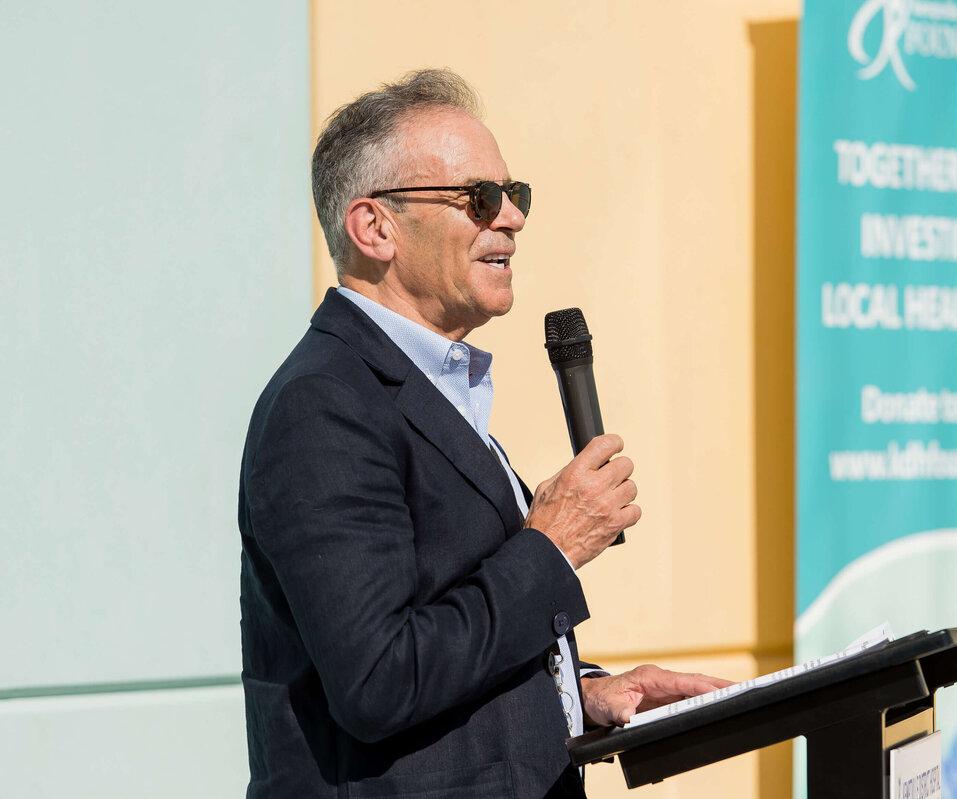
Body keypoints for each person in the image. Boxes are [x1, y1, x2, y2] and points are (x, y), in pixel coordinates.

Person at [237, 69, 730, 798]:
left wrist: (575, 691)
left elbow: (450, 632)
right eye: (479, 198)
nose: (512, 218)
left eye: (514, 195)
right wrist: (552, 545)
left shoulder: (428, 387)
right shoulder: (324, 404)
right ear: (376, 228)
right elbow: (379, 679)